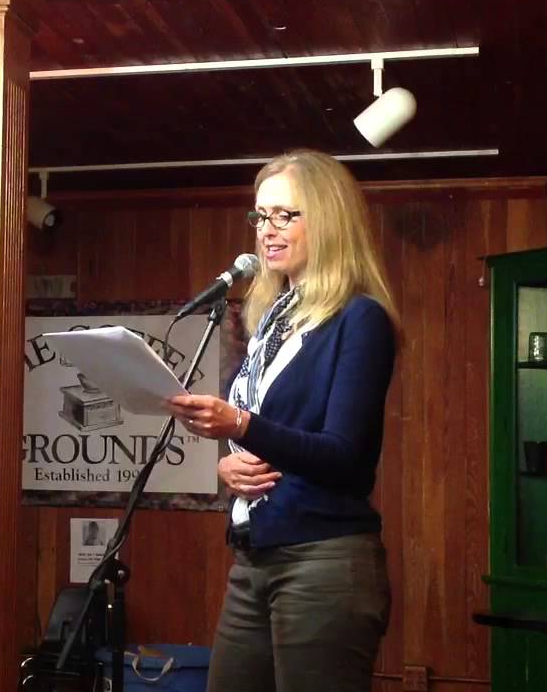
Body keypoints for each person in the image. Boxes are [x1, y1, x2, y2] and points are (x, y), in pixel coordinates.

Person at [167, 149, 398, 692]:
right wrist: (230, 466)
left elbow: (346, 458)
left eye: (285, 215)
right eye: (260, 216)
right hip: (254, 557)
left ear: (329, 219)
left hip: (323, 561)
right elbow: (267, 440)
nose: (266, 231)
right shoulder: (271, 319)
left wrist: (242, 426)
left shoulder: (359, 318)